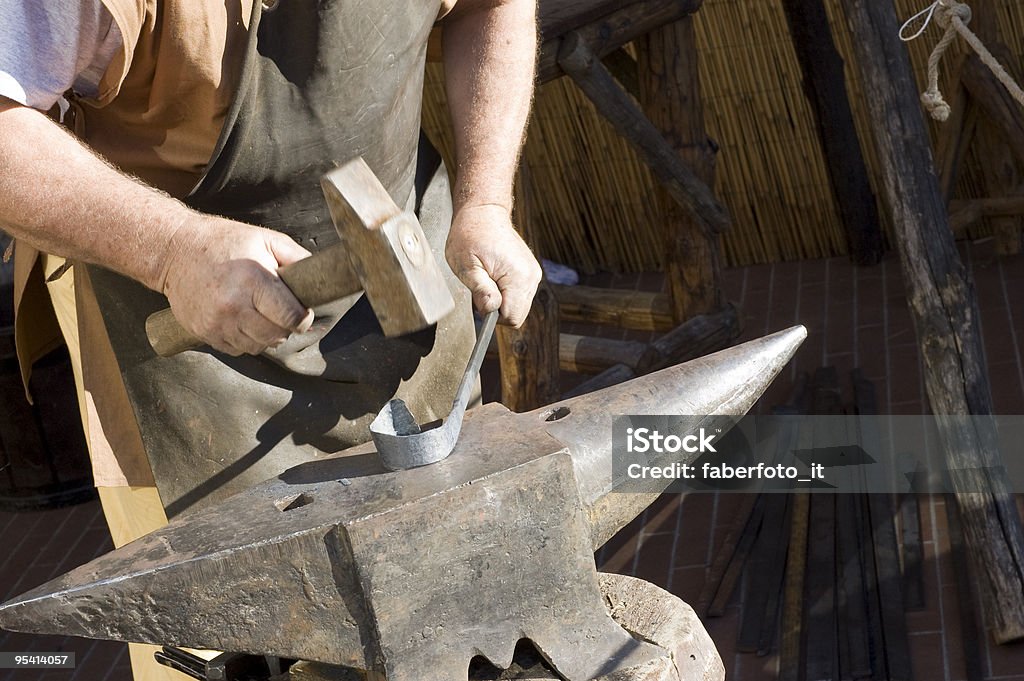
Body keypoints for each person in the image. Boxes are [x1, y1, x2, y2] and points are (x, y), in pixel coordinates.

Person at [0, 1, 541, 678]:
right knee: (229, 634)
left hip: (404, 260)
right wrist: (174, 250)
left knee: (457, 591)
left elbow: (494, 7)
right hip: (178, 320)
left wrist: (486, 200)